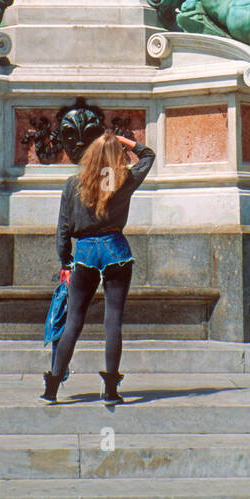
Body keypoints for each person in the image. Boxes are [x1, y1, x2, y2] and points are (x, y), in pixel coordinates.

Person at [42, 130, 155, 404]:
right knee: (112, 321)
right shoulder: (124, 179)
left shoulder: (72, 184)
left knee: (74, 321)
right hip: (115, 249)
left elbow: (63, 229)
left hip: (84, 253)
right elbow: (148, 155)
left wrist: (65, 261)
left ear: (89, 155)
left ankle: (53, 386)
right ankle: (111, 390)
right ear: (118, 157)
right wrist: (125, 142)